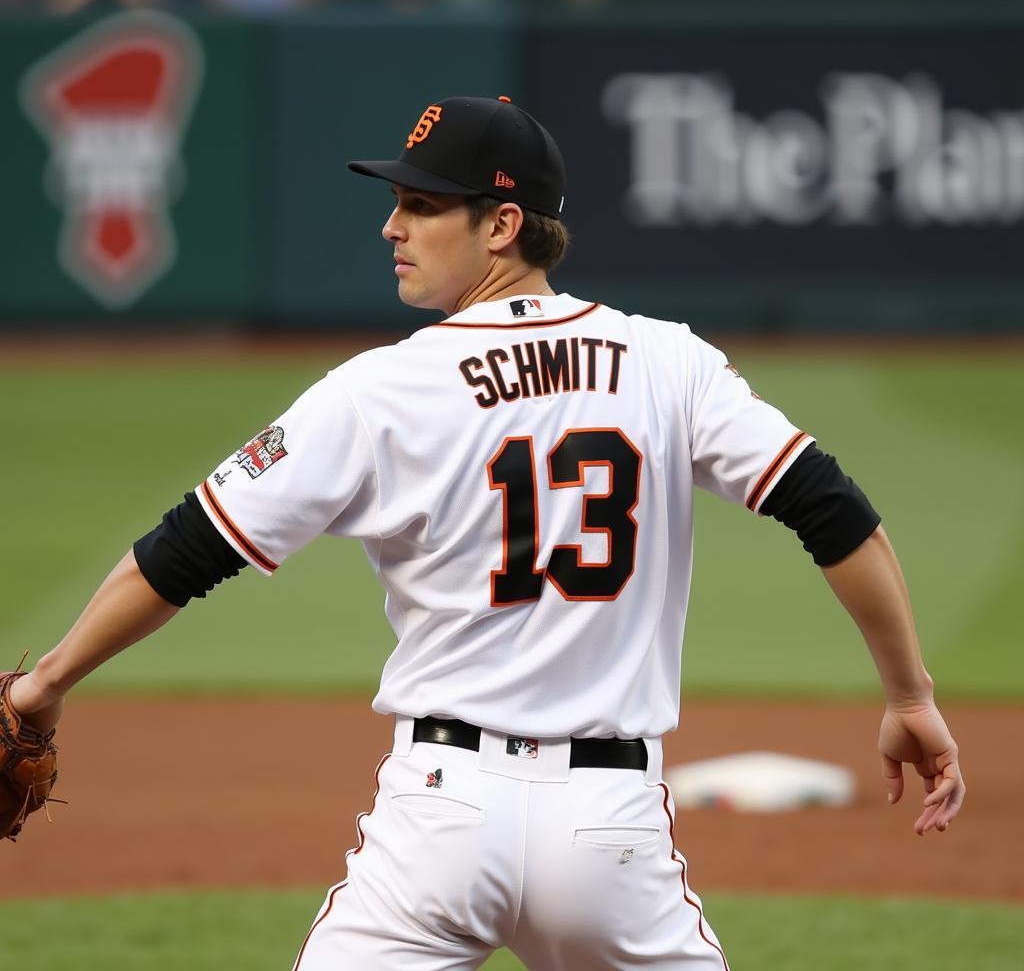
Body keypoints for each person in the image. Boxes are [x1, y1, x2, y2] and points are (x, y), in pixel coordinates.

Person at [9, 95, 965, 969]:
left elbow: (188, 549)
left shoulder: (380, 387)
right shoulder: (670, 362)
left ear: (502, 225)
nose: (392, 225)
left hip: (441, 818)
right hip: (610, 830)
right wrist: (909, 694)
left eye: (423, 204)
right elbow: (835, 512)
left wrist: (46, 684)